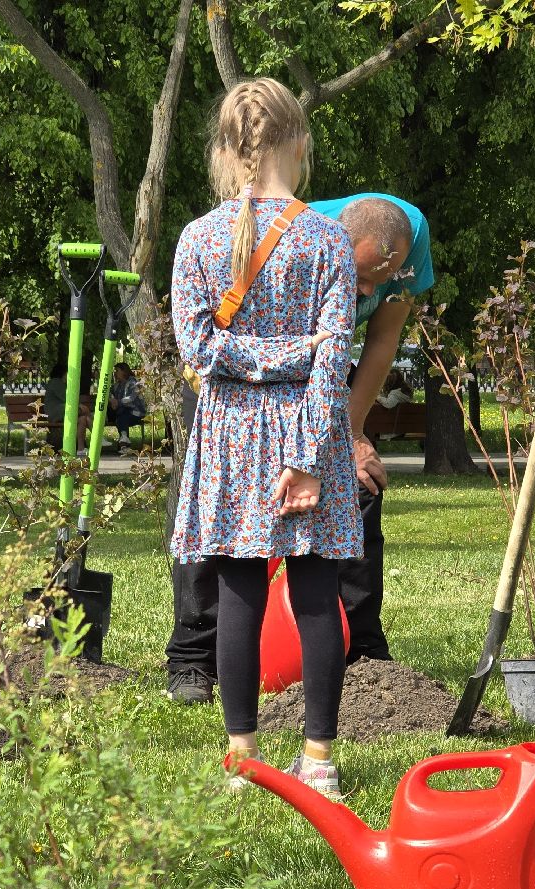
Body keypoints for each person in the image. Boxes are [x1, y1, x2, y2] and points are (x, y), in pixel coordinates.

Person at [165, 191, 435, 705]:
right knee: (223, 510)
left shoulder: (409, 235)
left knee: (357, 487)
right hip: (236, 379)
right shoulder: (305, 236)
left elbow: (380, 341)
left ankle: (362, 652)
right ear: (337, 249)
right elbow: (210, 338)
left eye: (381, 280)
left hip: (319, 375)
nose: (368, 291)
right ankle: (193, 656)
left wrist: (349, 435)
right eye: (362, 276)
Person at [171, 77, 359, 798]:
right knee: (316, 593)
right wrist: (306, 450)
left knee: (238, 596)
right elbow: (332, 359)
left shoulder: (197, 239)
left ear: (228, 150)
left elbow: (200, 349)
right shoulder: (327, 238)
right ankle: (319, 760)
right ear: (299, 143)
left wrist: (251, 357)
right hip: (308, 428)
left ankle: (243, 760)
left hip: (229, 434)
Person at [107, 361, 147, 453]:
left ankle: (124, 445)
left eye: (117, 371)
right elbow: (108, 392)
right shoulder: (117, 385)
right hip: (122, 411)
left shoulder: (134, 383)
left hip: (136, 413)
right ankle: (124, 444)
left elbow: (131, 398)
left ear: (124, 371)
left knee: (122, 416)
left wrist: (118, 402)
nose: (115, 373)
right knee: (118, 415)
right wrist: (112, 399)